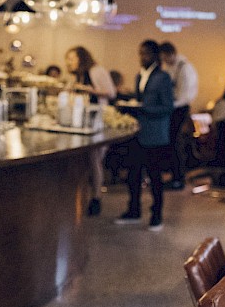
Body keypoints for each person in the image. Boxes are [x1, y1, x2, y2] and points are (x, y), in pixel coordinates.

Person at [115, 39, 173, 231]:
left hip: (155, 135)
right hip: (138, 132)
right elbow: (140, 100)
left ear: (155, 56)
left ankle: (157, 215)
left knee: (155, 177)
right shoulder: (140, 76)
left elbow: (167, 107)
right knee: (134, 174)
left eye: (146, 54)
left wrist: (143, 108)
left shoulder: (163, 78)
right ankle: (134, 210)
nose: (142, 57)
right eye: (140, 53)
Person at [66, 46, 117, 215]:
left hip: (98, 121)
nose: (69, 62)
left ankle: (96, 198)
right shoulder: (76, 76)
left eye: (72, 58)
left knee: (95, 158)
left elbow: (111, 93)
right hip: (81, 122)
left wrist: (90, 90)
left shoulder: (97, 71)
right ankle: (81, 197)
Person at [158, 41, 199, 190]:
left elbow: (184, 95)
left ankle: (178, 177)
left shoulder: (184, 68)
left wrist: (168, 105)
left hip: (179, 108)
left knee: (175, 142)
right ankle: (173, 174)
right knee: (171, 142)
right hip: (174, 107)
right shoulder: (171, 67)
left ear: (171, 54)